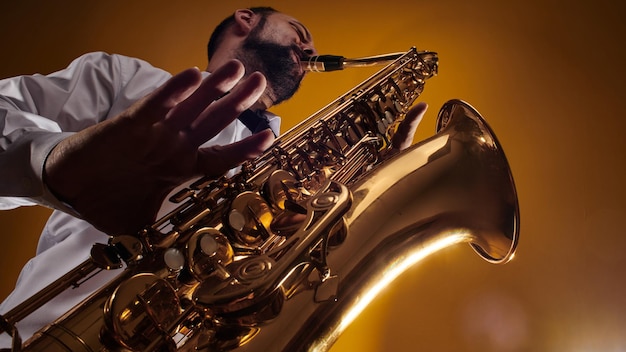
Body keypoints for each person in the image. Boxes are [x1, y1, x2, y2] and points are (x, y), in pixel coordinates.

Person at [0, 6, 428, 347]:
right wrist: (48, 161)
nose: (310, 46)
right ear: (246, 19)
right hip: (49, 331)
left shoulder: (300, 174)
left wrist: (365, 187)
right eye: (297, 30)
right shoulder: (128, 81)